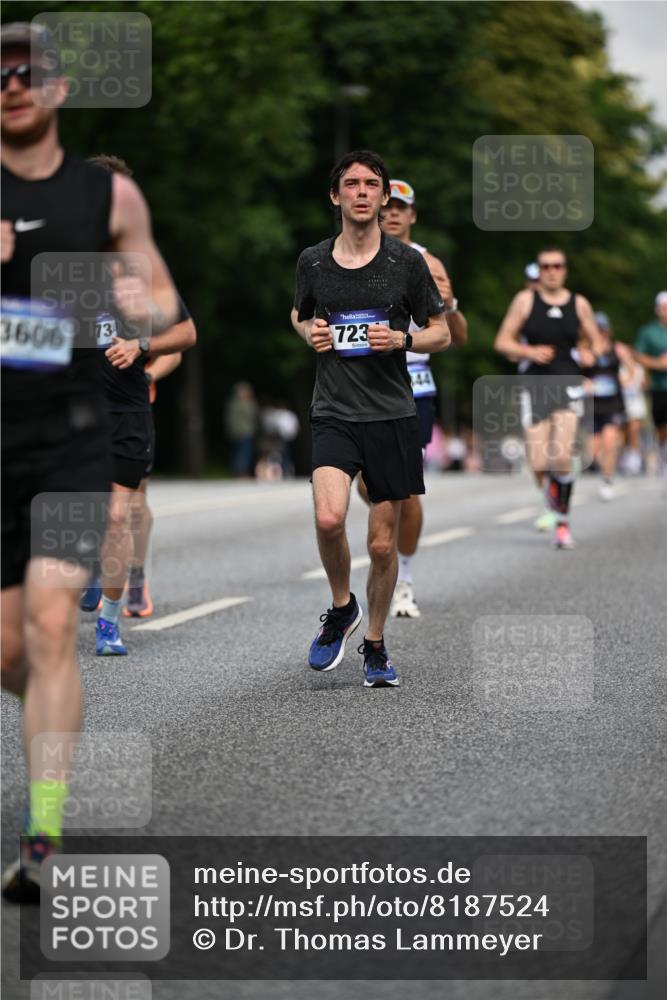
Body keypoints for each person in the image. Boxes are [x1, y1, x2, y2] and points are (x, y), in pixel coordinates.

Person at [1, 22, 178, 901]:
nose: (12, 84)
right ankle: (54, 706)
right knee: (11, 648)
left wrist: (115, 298)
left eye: (28, 72)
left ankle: (42, 833)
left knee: (46, 623)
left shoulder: (105, 196)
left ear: (60, 89)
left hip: (72, 434)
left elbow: (162, 300)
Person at [290, 150, 449, 686]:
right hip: (333, 409)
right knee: (330, 518)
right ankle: (341, 607)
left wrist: (402, 338)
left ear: (383, 198)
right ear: (336, 197)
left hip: (392, 414)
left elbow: (442, 332)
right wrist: (308, 332)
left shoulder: (406, 263)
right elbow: (300, 312)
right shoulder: (313, 261)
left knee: (382, 545)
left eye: (371, 184)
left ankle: (375, 645)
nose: (361, 192)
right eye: (351, 184)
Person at [78, 154, 196, 654]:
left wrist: (143, 347)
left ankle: (109, 621)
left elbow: (187, 332)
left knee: (117, 516)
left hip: (126, 409)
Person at [360, 177, 467, 618]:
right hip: (362, 385)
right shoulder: (356, 254)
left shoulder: (427, 261)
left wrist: (451, 303)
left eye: (403, 207)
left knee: (405, 491)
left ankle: (402, 577)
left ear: (413, 215)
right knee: (370, 486)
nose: (393, 214)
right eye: (389, 205)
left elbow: (457, 337)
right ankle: (390, 543)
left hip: (413, 388)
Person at [494, 246, 604, 549]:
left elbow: (597, 344)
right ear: (539, 271)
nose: (552, 271)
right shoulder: (525, 301)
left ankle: (563, 523)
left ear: (564, 270)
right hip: (534, 383)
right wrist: (529, 351)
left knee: (561, 456)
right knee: (539, 462)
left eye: (557, 266)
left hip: (567, 381)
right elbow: (502, 341)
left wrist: (588, 353)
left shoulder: (579, 304)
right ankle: (552, 500)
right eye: (546, 267)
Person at [123, 351, 184, 618]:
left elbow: (174, 350)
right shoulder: (78, 308)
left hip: (132, 411)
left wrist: (145, 376)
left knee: (135, 501)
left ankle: (136, 577)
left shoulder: (142, 310)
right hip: (85, 410)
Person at [579, 312, 635, 501]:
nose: (600, 333)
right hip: (593, 405)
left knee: (609, 443)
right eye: (596, 330)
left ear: (608, 331)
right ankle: (596, 470)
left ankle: (607, 481)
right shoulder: (585, 351)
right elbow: (574, 373)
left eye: (602, 329)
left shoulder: (617, 349)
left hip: (613, 404)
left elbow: (632, 369)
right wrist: (584, 383)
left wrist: (626, 381)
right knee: (593, 449)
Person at [634, 291, 667, 490]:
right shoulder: (649, 332)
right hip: (659, 387)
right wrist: (657, 364)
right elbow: (638, 355)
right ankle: (664, 458)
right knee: (661, 428)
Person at [225, 381, 259, 478]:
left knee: (241, 453)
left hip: (241, 431)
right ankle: (240, 472)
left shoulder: (233, 403)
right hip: (243, 432)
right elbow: (252, 414)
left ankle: (239, 472)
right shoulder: (245, 404)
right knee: (243, 453)